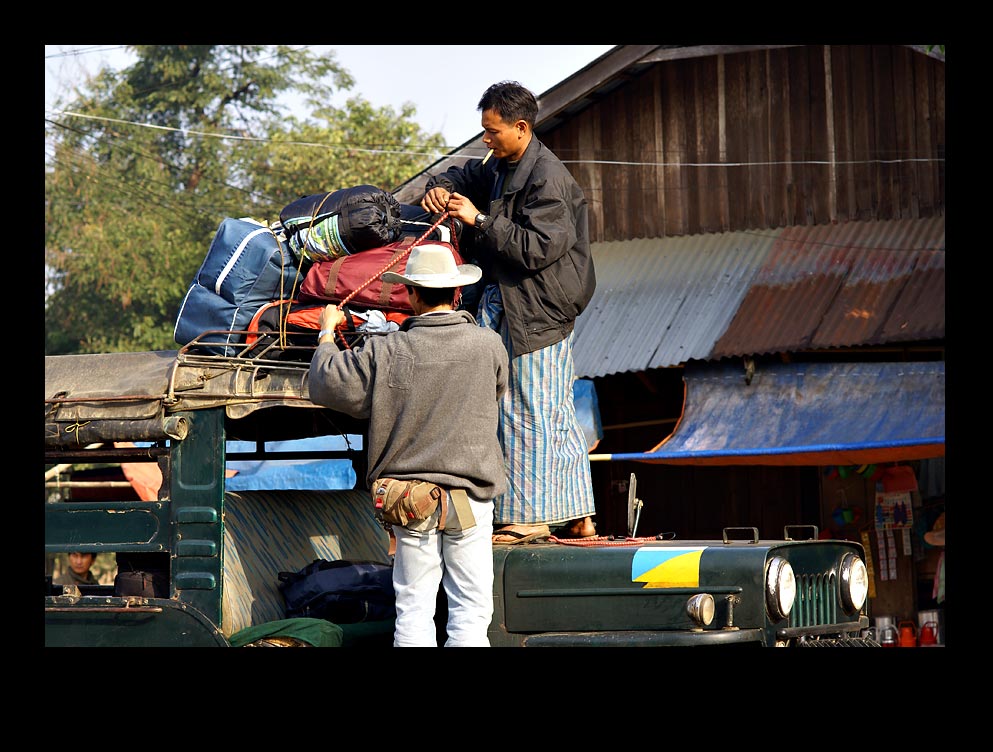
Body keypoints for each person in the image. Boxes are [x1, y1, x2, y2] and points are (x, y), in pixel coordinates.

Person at [420, 80, 597, 544]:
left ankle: (530, 519)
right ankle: (580, 515)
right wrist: (441, 190)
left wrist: (476, 219)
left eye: (493, 131)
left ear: (521, 128)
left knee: (522, 410)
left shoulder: (549, 180)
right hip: (515, 303)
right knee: (553, 410)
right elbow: (463, 176)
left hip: (536, 310)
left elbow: (535, 250)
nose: (486, 140)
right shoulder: (500, 164)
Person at [308, 243, 509, 647]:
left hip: (409, 500)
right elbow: (497, 390)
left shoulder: (385, 349)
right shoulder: (488, 345)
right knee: (471, 614)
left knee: (414, 610)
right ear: (456, 295)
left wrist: (327, 332)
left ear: (412, 295)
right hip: (471, 499)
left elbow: (327, 383)